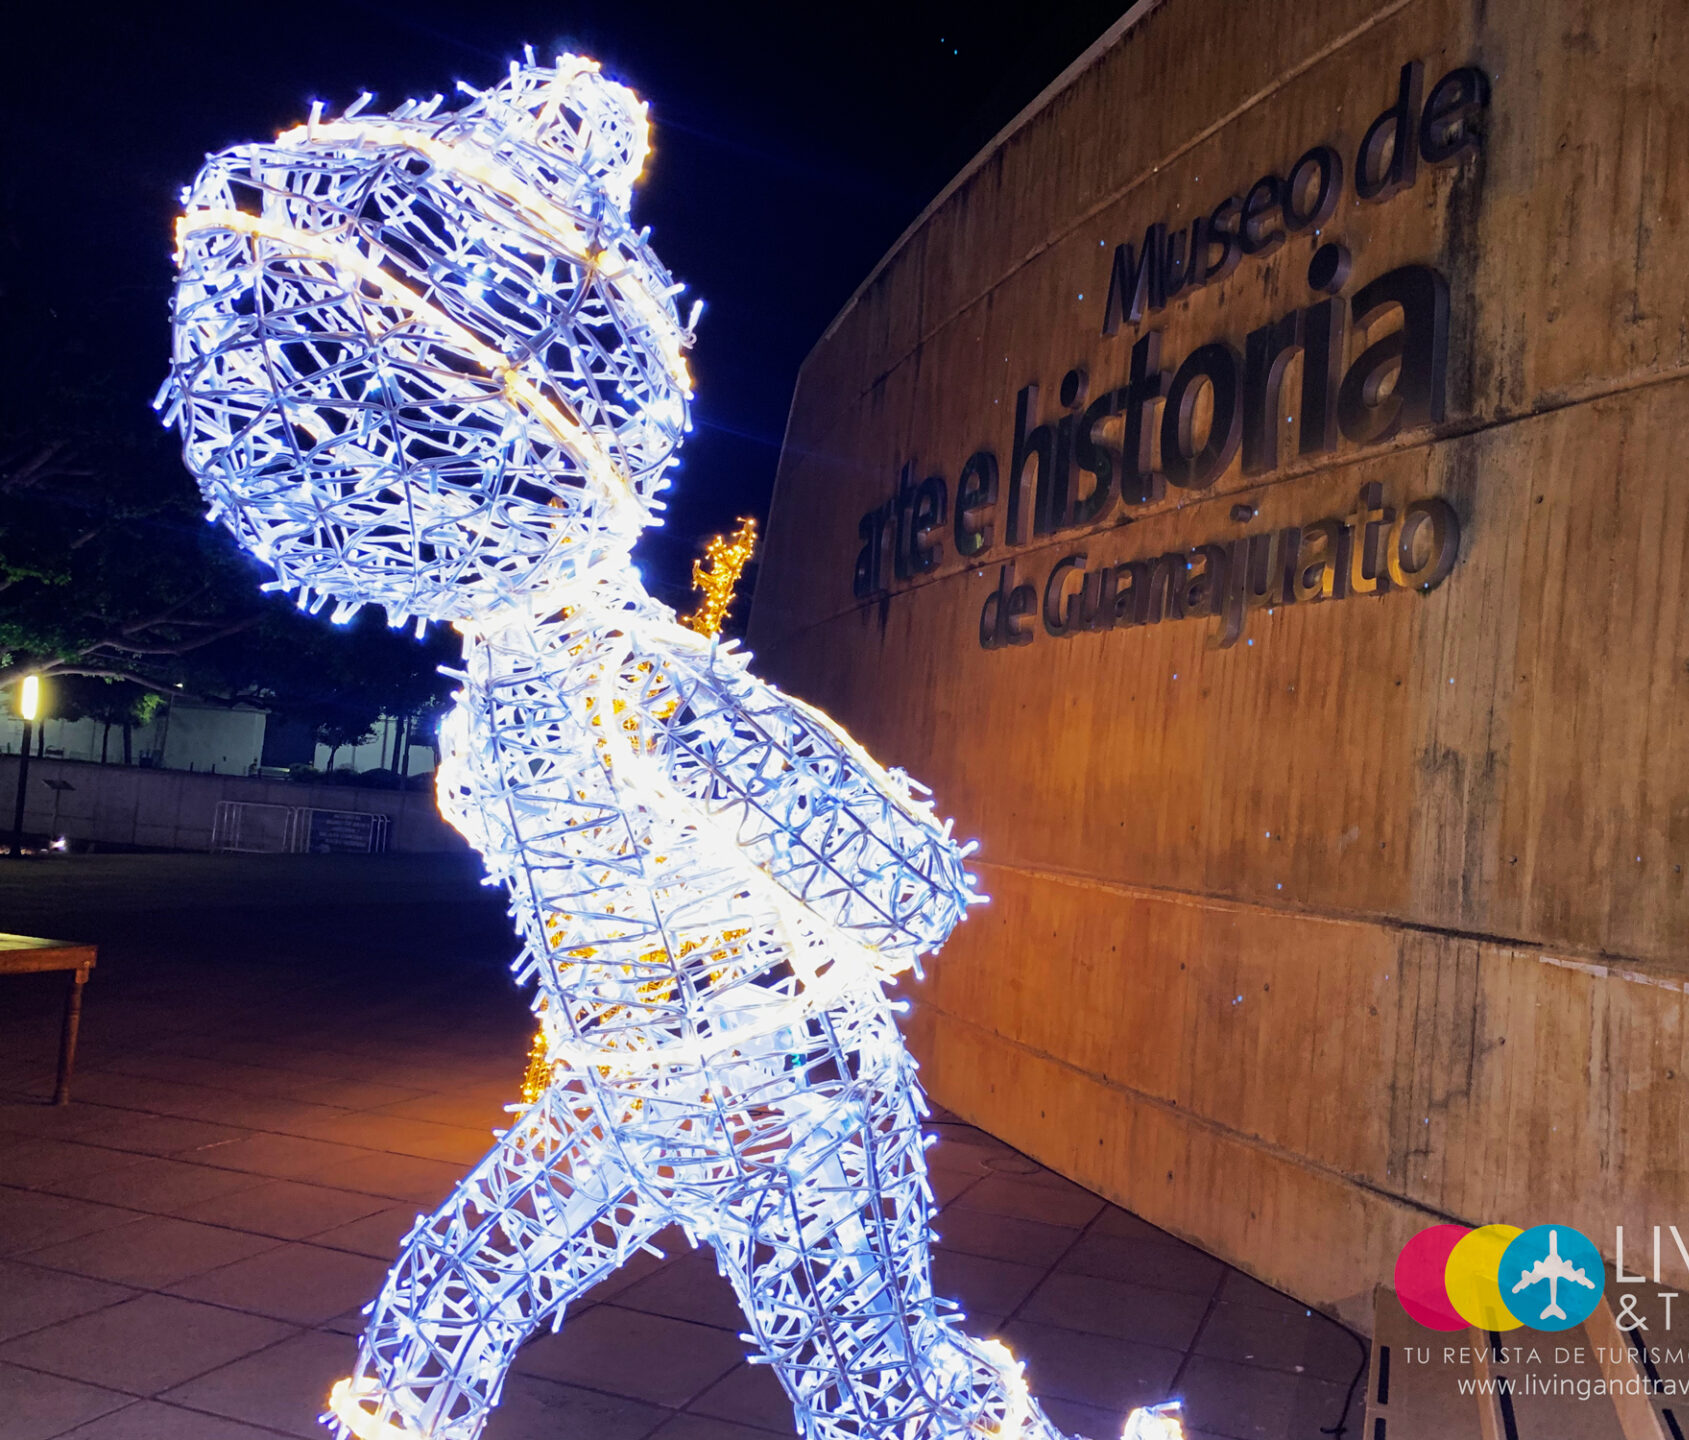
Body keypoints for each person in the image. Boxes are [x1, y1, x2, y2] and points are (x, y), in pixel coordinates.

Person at [162, 52, 1184, 1440]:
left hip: (791, 1108)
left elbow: (911, 888)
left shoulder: (642, 682)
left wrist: (735, 790)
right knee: (435, 1316)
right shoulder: (495, 697)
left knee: (882, 1400)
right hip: (614, 1089)